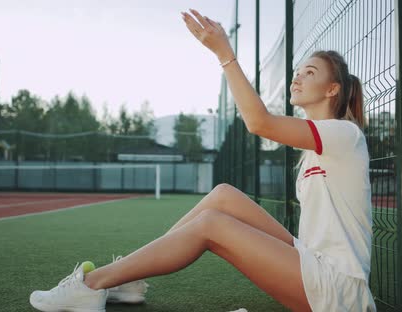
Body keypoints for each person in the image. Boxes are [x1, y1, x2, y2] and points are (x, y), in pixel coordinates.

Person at [29, 8, 376, 312]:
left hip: (337, 289)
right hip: (311, 261)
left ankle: (92, 285)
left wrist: (224, 54)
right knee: (223, 194)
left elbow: (259, 123)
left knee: (212, 224)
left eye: (310, 72)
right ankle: (128, 279)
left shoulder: (343, 133)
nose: (297, 76)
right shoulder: (317, 143)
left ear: (333, 90)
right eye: (298, 70)